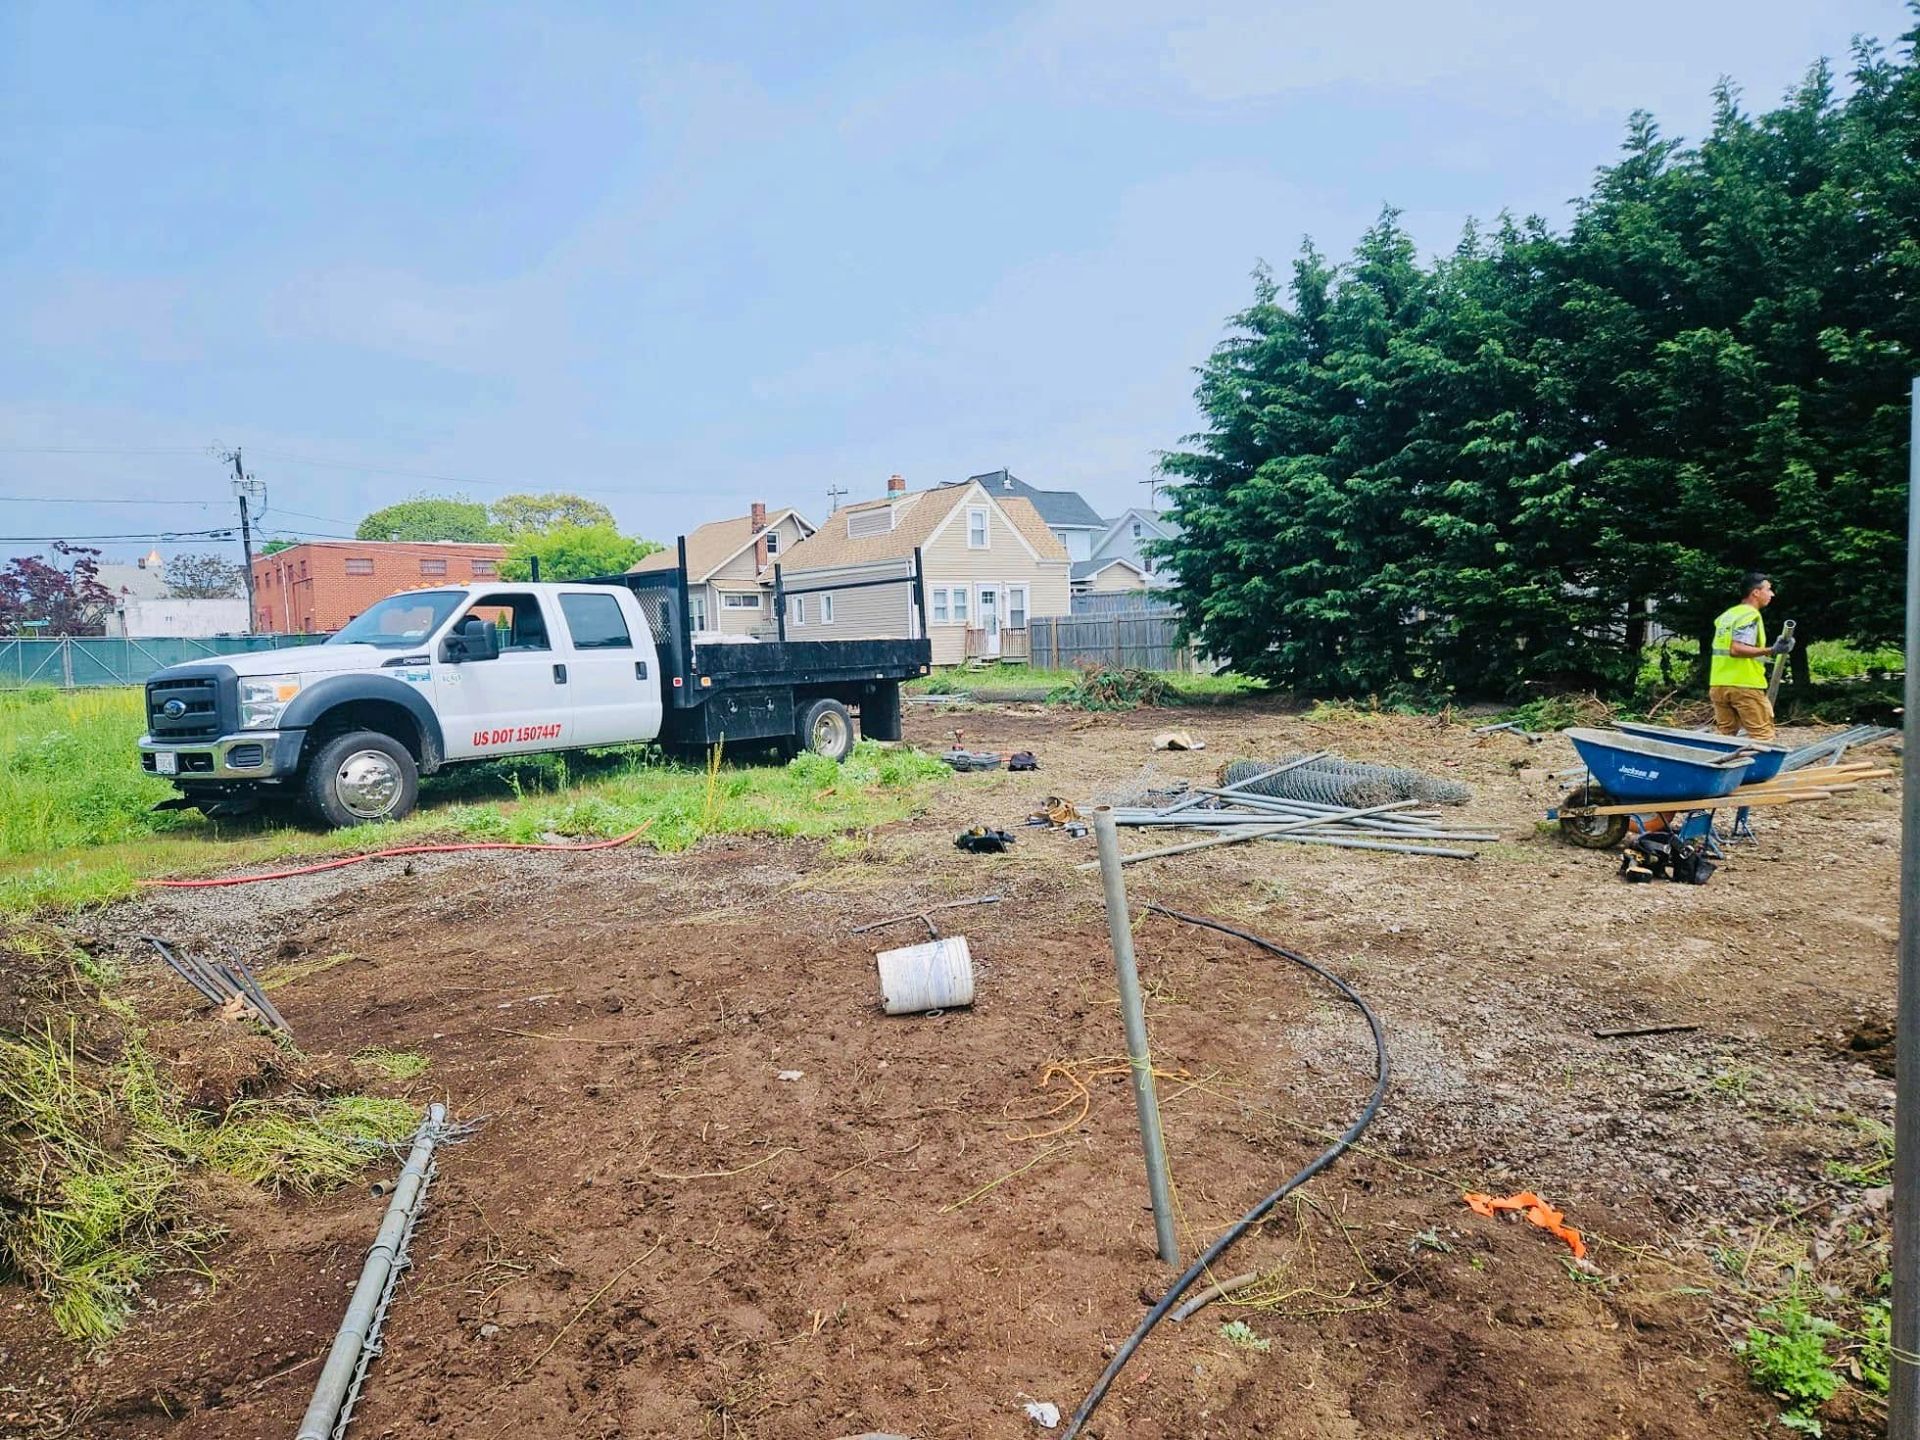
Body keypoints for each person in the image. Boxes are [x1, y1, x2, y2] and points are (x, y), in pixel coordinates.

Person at [1709, 571, 1793, 741]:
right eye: (1768, 589)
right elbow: (1737, 649)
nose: (1772, 594)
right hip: (1744, 685)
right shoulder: (1750, 615)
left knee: (1725, 736)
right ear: (1756, 592)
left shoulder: (1728, 615)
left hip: (1719, 684)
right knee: (1763, 737)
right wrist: (1772, 650)